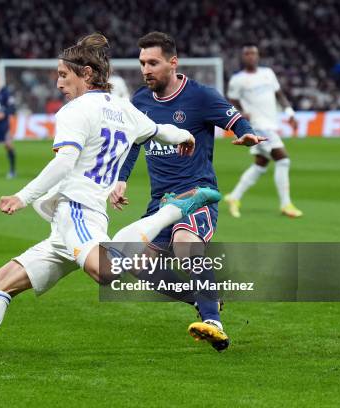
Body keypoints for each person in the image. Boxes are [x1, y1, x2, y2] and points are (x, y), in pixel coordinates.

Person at [0, 33, 220, 375]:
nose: (59, 84)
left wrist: (22, 196)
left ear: (86, 74)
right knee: (3, 281)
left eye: (64, 75)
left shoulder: (75, 111)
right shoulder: (124, 109)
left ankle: (174, 209)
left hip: (77, 209)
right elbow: (163, 131)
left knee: (106, 271)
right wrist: (186, 136)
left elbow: (64, 162)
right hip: (69, 223)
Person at [111, 32, 265, 351]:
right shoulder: (140, 101)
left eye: (153, 62)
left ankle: (213, 321)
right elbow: (133, 144)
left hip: (197, 194)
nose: (146, 69)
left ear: (172, 62)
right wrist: (122, 179)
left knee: (185, 244)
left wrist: (247, 134)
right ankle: (203, 298)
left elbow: (235, 119)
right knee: (134, 263)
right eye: (142, 63)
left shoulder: (201, 96)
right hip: (160, 202)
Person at [224, 44, 302, 218]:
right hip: (257, 125)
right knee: (283, 160)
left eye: (253, 53)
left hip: (271, 123)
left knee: (261, 163)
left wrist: (289, 113)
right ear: (242, 57)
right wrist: (240, 112)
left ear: (258, 56)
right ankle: (286, 204)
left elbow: (279, 94)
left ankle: (234, 197)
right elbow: (231, 101)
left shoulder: (268, 74)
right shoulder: (238, 79)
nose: (251, 56)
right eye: (247, 53)